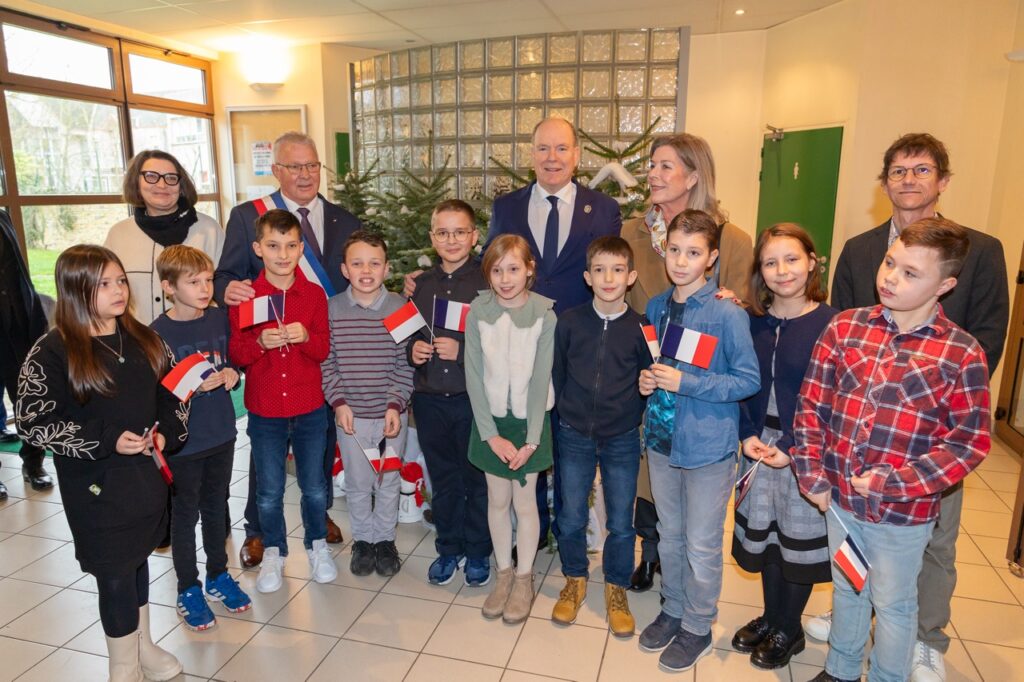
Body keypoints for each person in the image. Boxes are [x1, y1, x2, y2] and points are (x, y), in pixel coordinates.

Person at [819, 133, 1009, 682]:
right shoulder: (860, 248)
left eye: (921, 170)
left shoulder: (978, 249)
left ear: (942, 181)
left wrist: (933, 399)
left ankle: (925, 637)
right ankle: (852, 631)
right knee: (855, 568)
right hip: (857, 439)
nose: (908, 180)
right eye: (898, 170)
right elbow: (841, 329)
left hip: (927, 434)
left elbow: (988, 334)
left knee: (933, 547)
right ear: (884, 183)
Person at [793, 218, 991, 682]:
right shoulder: (845, 328)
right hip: (840, 500)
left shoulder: (961, 353)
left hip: (903, 515)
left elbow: (969, 442)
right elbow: (812, 405)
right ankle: (841, 669)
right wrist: (812, 474)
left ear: (944, 285)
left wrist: (895, 483)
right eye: (889, 263)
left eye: (910, 273)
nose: (890, 278)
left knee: (893, 603)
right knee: (848, 587)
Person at [16, 244, 188, 682]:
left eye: (121, 281)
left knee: (138, 558)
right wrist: (107, 439)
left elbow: (174, 391)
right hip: (95, 487)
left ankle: (143, 646)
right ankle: (123, 665)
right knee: (114, 573)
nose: (118, 290)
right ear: (75, 291)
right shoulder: (53, 350)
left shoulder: (146, 337)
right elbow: (34, 422)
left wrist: (166, 431)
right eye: (104, 284)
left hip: (146, 479)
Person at [215, 131, 359, 568]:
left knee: (322, 439)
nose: (305, 174)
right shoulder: (248, 216)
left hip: (322, 346)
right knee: (267, 457)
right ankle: (258, 530)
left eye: (312, 165)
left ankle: (320, 514)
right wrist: (229, 290)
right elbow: (225, 276)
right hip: (268, 353)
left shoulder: (343, 218)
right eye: (294, 166)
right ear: (276, 170)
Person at [622, 133, 755, 593]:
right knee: (653, 480)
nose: (653, 174)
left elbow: (741, 312)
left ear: (693, 176)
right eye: (652, 165)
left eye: (666, 166)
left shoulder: (731, 239)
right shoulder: (634, 231)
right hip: (650, 376)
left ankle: (690, 599)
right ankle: (651, 554)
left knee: (697, 526)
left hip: (701, 395)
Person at [486, 117, 623, 554]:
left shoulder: (603, 209)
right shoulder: (506, 208)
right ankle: (533, 533)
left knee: (570, 445)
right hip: (520, 345)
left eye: (562, 148)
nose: (552, 158)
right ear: (531, 155)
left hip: (579, 347)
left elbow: (613, 273)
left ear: (576, 156)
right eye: (543, 148)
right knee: (528, 432)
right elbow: (490, 268)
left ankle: (569, 536)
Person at [636, 209, 759, 673]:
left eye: (693, 253)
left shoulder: (727, 313)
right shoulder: (656, 307)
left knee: (701, 544)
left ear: (711, 258)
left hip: (707, 447)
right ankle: (673, 608)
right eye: (674, 250)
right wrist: (648, 382)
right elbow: (656, 364)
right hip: (661, 440)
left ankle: (698, 624)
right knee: (670, 534)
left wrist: (687, 383)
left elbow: (746, 380)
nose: (681, 261)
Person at [730, 224, 836, 669]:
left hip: (805, 450)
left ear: (812, 262)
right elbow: (738, 382)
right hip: (758, 445)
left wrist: (792, 446)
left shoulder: (832, 324)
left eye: (792, 259)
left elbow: (832, 398)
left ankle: (789, 629)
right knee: (768, 540)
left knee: (796, 542)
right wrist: (746, 434)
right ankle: (772, 617)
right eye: (771, 262)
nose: (782, 270)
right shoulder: (751, 321)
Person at [227, 208, 335, 593]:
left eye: (291, 246)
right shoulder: (247, 297)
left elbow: (323, 350)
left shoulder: (314, 295)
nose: (283, 254)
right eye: (273, 246)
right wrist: (259, 343)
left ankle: (317, 544)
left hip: (309, 408)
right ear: (258, 248)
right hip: (265, 409)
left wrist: (305, 337)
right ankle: (274, 550)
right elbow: (238, 354)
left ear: (302, 248)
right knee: (269, 491)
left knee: (315, 486)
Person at [551, 236, 649, 637]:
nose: (609, 278)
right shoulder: (569, 322)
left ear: (631, 276)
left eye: (618, 270)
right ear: (588, 277)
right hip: (574, 432)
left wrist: (631, 413)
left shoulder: (641, 327)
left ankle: (616, 586)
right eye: (600, 270)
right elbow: (558, 372)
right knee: (571, 514)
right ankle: (575, 577)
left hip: (621, 435)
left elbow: (646, 379)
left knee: (621, 520)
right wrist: (567, 414)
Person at [151, 245, 251, 631]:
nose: (205, 288)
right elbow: (156, 392)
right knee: (184, 514)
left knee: (216, 507)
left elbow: (235, 360)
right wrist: (190, 387)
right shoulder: (157, 334)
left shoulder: (219, 319)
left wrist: (233, 374)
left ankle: (218, 575)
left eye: (208, 280)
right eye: (194, 282)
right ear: (169, 287)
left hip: (221, 433)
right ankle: (188, 587)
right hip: (183, 443)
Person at [465, 234, 556, 624]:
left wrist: (531, 440)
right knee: (497, 500)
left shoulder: (544, 314)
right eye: (497, 271)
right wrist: (490, 434)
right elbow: (473, 374)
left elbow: (540, 380)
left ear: (529, 270)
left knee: (525, 503)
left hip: (529, 423)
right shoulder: (478, 310)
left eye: (513, 269)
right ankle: (503, 573)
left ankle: (524, 577)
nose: (505, 279)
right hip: (490, 423)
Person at [408, 200, 493, 587]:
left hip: (471, 400)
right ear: (432, 237)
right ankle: (448, 547)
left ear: (474, 237)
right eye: (443, 232)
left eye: (460, 232)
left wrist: (462, 351)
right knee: (443, 480)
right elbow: (409, 334)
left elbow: (500, 343)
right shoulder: (421, 286)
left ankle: (477, 551)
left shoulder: (487, 286)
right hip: (429, 400)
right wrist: (413, 350)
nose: (452, 239)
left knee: (476, 480)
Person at [322, 231, 414, 578]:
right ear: (345, 269)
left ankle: (384, 540)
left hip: (392, 415)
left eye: (374, 264)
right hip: (352, 417)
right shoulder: (332, 309)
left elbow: (406, 363)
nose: (366, 271)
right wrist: (339, 402)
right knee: (359, 482)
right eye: (357, 263)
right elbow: (326, 362)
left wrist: (395, 404)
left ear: (387, 268)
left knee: (388, 481)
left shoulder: (400, 308)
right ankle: (363, 540)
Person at [105, 150, 224, 325]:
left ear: (181, 185)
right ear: (136, 182)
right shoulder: (119, 234)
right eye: (151, 176)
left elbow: (224, 283)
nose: (162, 185)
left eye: (171, 178)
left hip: (201, 334)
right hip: (138, 336)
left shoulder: (209, 229)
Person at [1, 208, 51, 498]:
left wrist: (35, 318)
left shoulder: (2, 217)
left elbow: (18, 275)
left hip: (17, 328)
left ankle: (33, 464)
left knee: (28, 399)